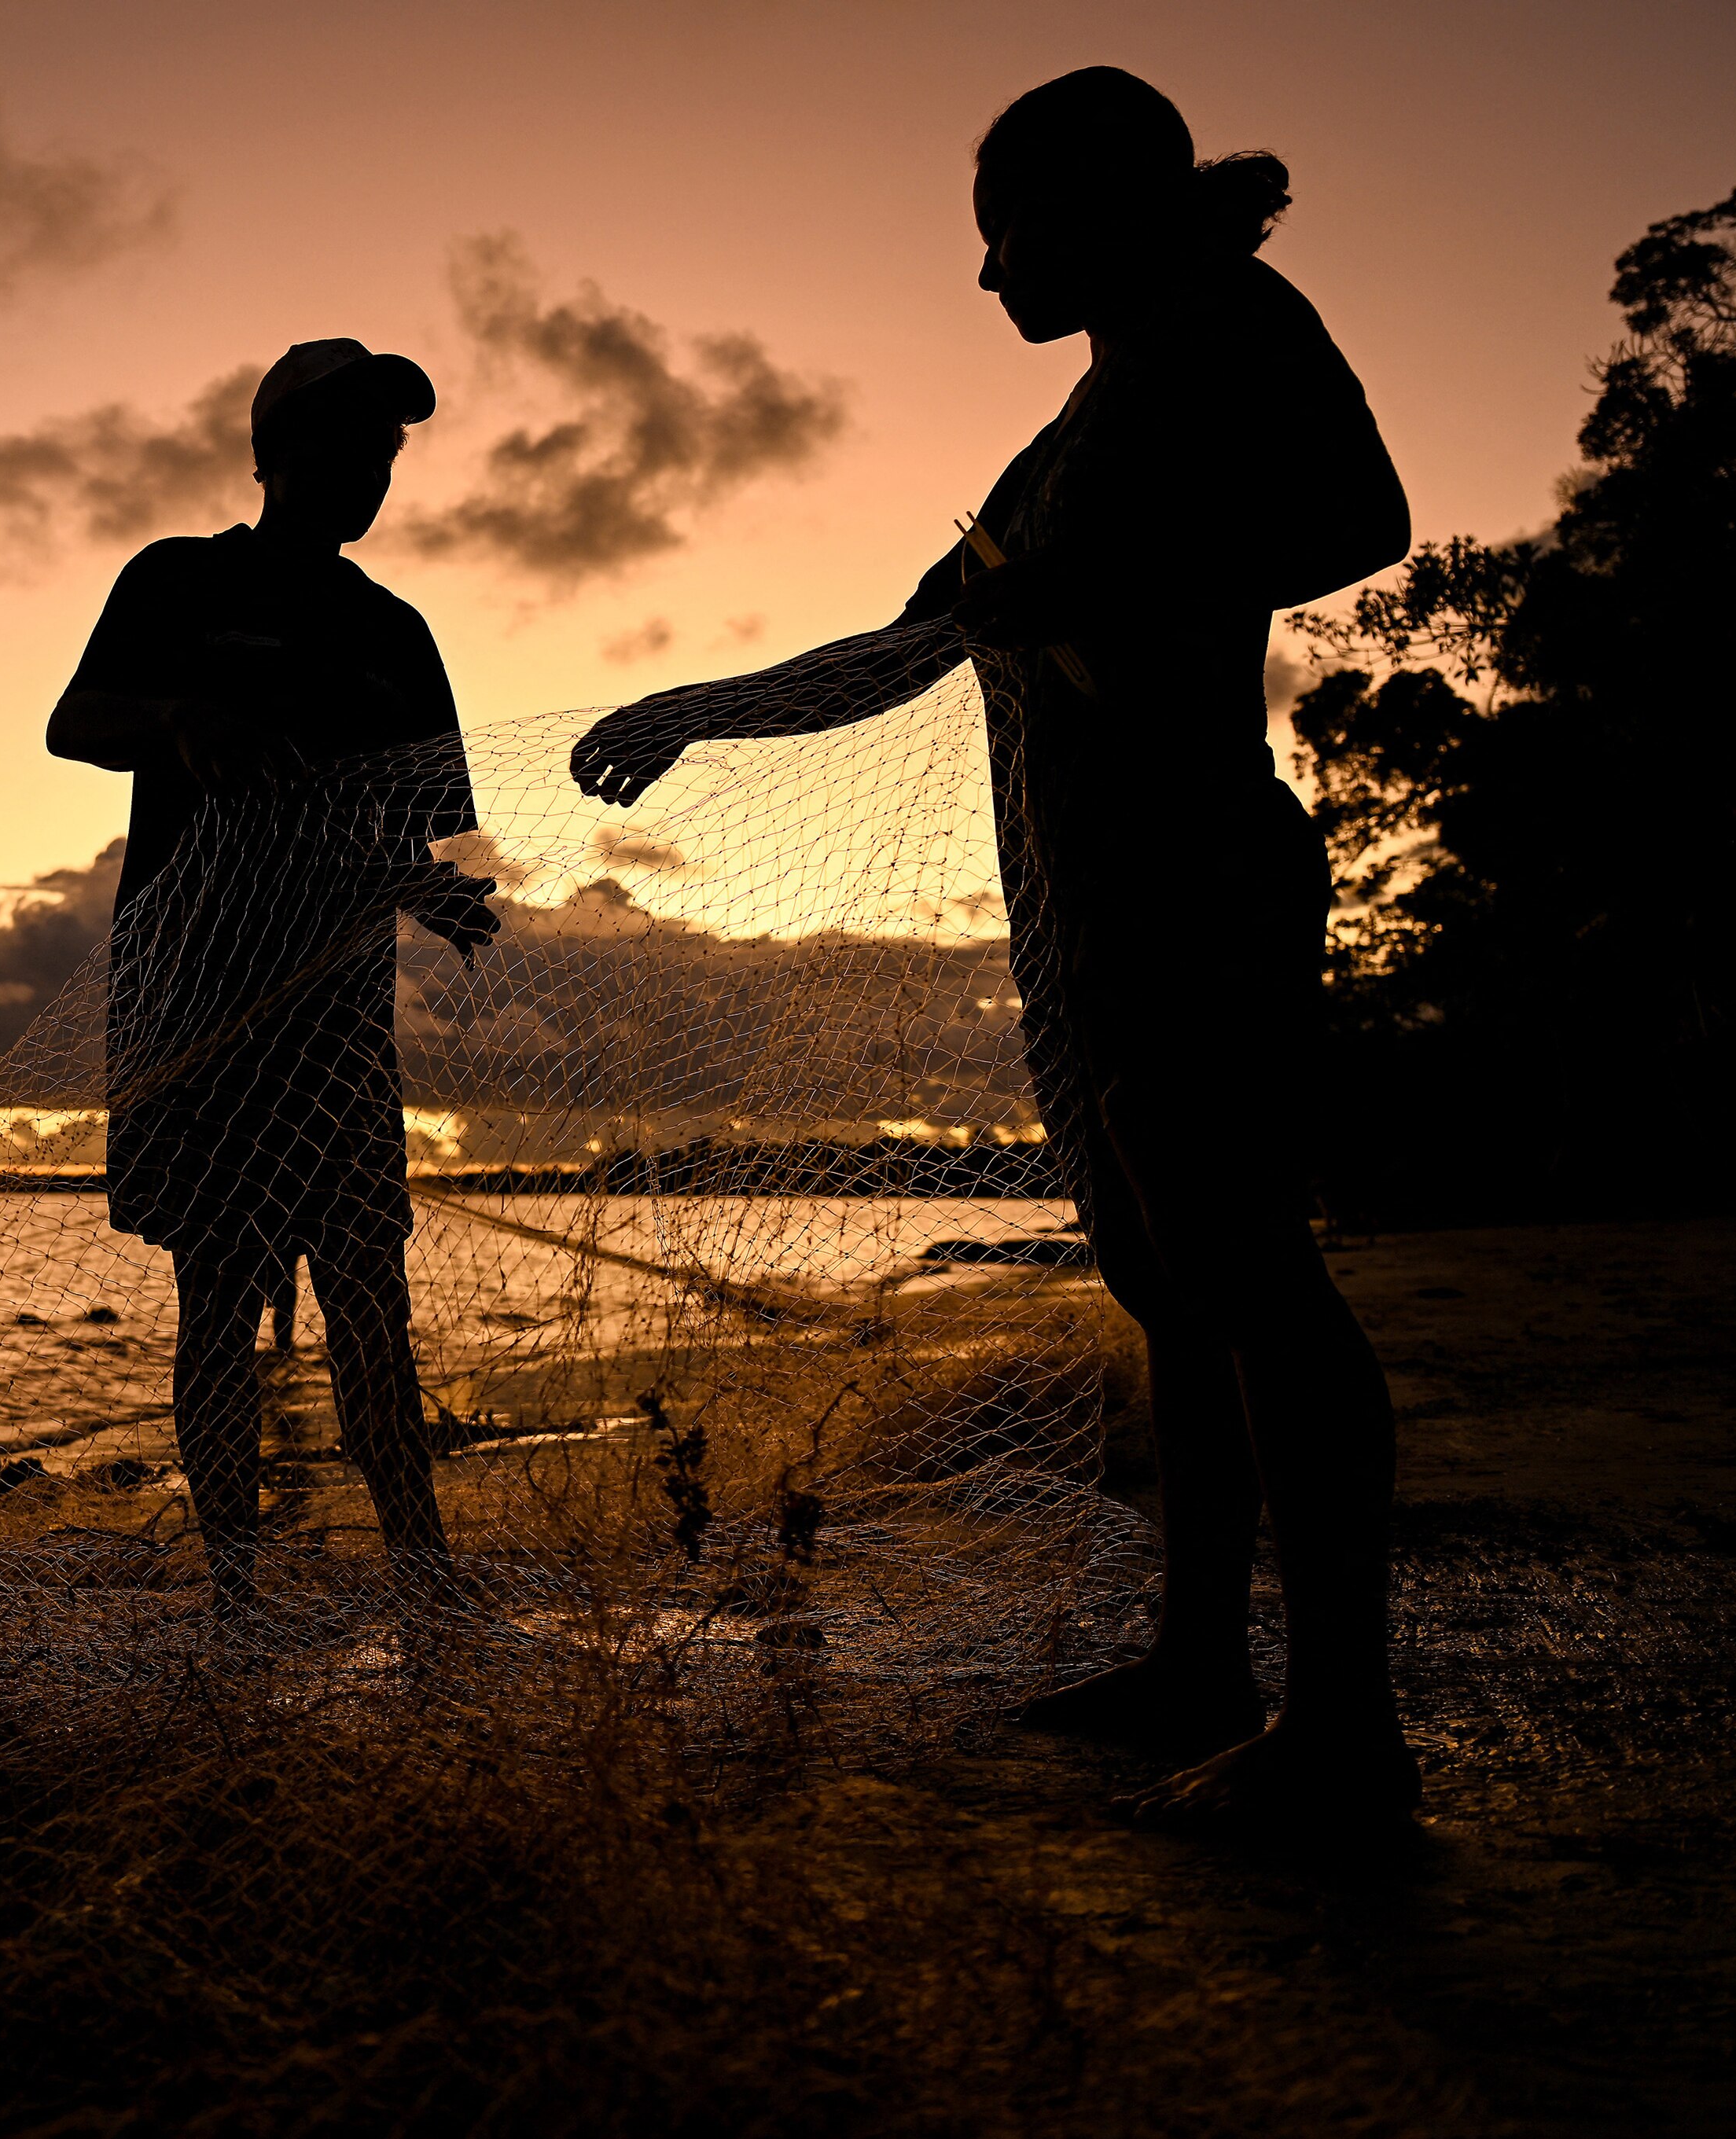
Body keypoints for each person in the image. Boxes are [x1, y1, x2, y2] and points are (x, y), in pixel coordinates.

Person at [569, 68, 1415, 1826]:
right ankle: (1198, 1659)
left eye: (998, 233)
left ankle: (1346, 1730)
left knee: (1254, 1274)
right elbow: (902, 650)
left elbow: (1361, 520)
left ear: (1092, 203)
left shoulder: (1230, 322)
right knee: (1172, 1293)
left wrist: (1105, 589)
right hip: (1083, 905)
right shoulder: (1054, 444)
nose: (982, 280)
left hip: (1197, 873)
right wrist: (693, 711)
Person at [49, 336, 502, 1625]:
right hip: (192, 1007)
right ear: (267, 455)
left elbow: (452, 817)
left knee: (369, 1292)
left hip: (338, 1016)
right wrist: (185, 721)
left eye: (383, 451)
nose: (362, 470)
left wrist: (464, 894)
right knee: (221, 1292)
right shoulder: (178, 582)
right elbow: (74, 719)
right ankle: (235, 1587)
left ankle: (422, 1576)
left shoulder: (393, 633)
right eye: (338, 443)